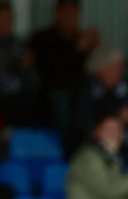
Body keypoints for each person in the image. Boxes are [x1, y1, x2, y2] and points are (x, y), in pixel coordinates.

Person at [30, 0, 99, 131]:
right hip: (53, 93)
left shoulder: (82, 37)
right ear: (57, 13)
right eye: (66, 13)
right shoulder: (43, 38)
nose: (70, 17)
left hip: (81, 91)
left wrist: (95, 47)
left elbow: (94, 69)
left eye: (73, 13)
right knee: (61, 101)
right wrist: (76, 50)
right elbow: (50, 72)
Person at [74, 45, 128, 143]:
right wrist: (116, 119)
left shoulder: (124, 86)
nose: (120, 72)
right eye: (115, 67)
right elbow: (83, 124)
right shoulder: (85, 89)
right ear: (100, 69)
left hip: (124, 142)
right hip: (97, 143)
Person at [0, 1, 39, 127]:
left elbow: (33, 77)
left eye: (9, 18)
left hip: (23, 94)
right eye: (3, 18)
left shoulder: (19, 44)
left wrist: (23, 67)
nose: (7, 22)